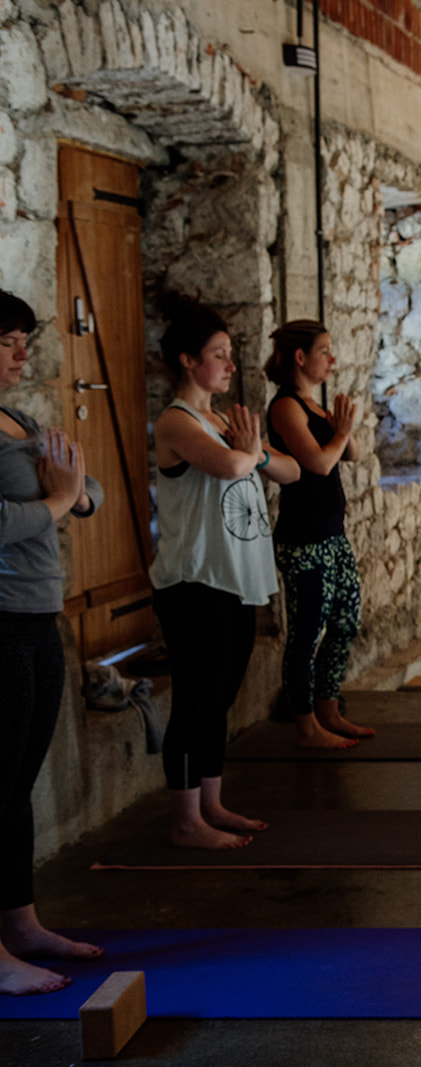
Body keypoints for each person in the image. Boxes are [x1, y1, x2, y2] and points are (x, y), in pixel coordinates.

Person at [150, 295, 299, 849]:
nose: (230, 366)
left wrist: (255, 451)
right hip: (195, 583)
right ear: (188, 360)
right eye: (219, 354)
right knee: (195, 698)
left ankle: (210, 803)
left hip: (235, 579)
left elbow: (289, 470)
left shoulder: (221, 420)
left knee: (220, 700)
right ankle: (185, 821)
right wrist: (251, 451)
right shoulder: (177, 421)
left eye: (230, 354)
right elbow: (234, 463)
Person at [0, 290, 104, 995]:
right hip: (0, 620)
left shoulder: (17, 419)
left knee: (16, 785)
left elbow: (84, 482)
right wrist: (61, 501)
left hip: (39, 618)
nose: (22, 354)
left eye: (23, 341)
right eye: (9, 341)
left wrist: (76, 494)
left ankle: (20, 922)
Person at [265, 320, 370, 747]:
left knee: (345, 621)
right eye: (324, 350)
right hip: (303, 538)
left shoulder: (315, 405)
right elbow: (319, 464)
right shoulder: (286, 407)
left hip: (332, 535)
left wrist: (343, 425)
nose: (332, 359)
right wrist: (340, 430)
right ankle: (305, 724)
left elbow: (354, 453)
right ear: (300, 357)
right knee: (307, 631)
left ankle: (329, 708)